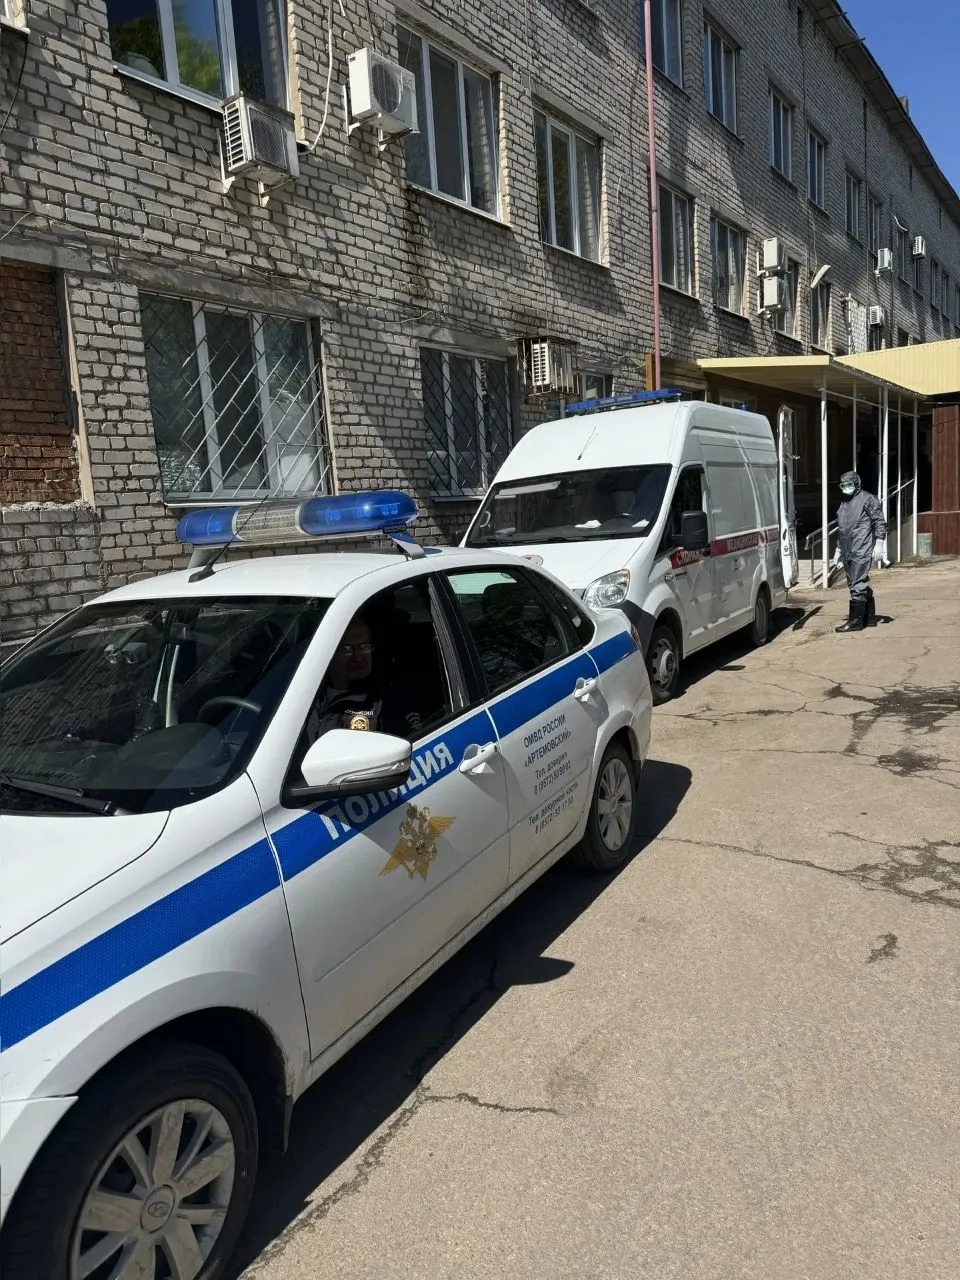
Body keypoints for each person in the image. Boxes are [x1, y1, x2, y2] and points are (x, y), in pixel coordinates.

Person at [835, 471, 886, 633]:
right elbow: (842, 528)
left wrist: (879, 542)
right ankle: (868, 617)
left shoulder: (868, 499)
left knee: (857, 584)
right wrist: (838, 550)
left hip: (861, 547)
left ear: (856, 484)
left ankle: (855, 622)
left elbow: (879, 521)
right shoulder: (844, 502)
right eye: (843, 485)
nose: (846, 488)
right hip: (847, 549)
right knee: (855, 582)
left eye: (849, 484)